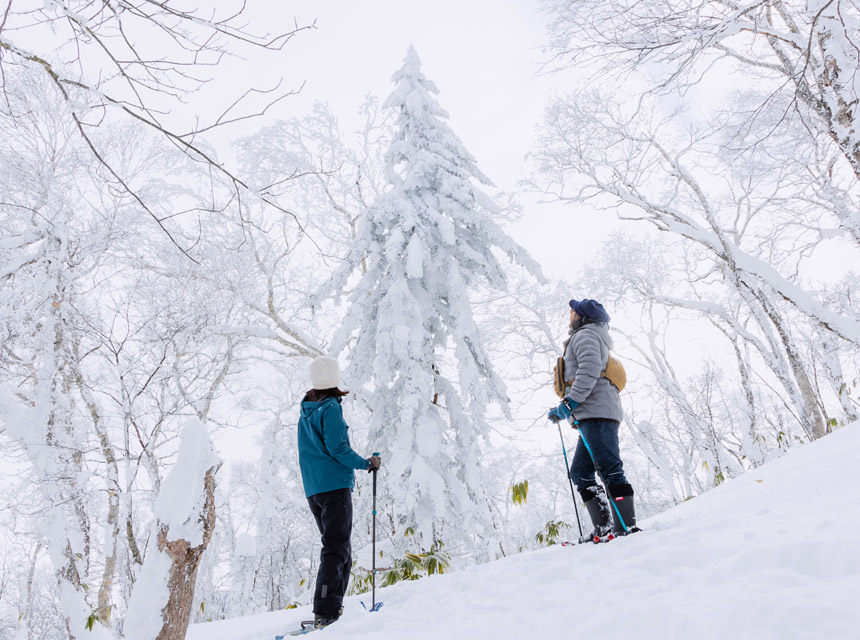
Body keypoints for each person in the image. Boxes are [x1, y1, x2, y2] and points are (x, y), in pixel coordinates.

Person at [298, 356, 381, 628]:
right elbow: (338, 449)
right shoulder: (330, 408)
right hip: (334, 487)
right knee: (336, 549)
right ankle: (326, 611)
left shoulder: (307, 410)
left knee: (339, 548)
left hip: (314, 490)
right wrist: (366, 463)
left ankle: (332, 607)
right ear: (334, 379)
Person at [548, 298, 638, 541]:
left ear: (582, 316)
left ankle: (626, 528)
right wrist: (567, 407)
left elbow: (588, 373)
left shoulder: (586, 336)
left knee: (609, 467)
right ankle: (604, 528)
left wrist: (569, 404)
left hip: (597, 412)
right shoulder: (588, 336)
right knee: (580, 472)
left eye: (573, 311)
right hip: (593, 413)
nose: (570, 314)